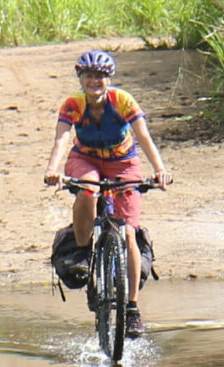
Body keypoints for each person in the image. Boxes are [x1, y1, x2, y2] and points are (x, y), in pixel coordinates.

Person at [44, 50, 172, 337]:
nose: (95, 82)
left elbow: (143, 136)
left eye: (100, 77)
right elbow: (62, 138)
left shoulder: (123, 101)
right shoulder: (73, 105)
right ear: (81, 79)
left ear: (109, 79)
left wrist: (160, 170)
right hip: (85, 160)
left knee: (128, 233)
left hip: (124, 162)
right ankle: (81, 251)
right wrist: (53, 169)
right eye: (89, 76)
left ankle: (132, 310)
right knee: (87, 191)